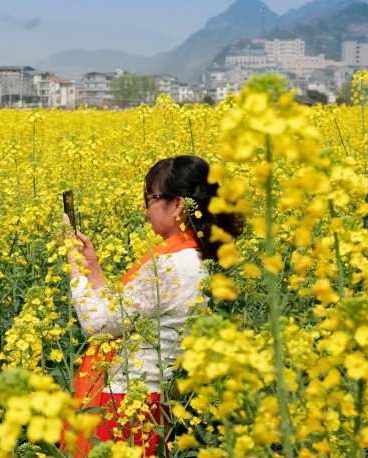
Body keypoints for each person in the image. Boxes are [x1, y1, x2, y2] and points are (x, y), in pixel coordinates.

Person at [62, 155, 244, 456]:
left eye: (151, 198)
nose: (145, 209)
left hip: (124, 404)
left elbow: (98, 325)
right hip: (149, 403)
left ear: (178, 205)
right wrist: (92, 267)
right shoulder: (190, 257)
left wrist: (74, 266)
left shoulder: (170, 265)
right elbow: (121, 314)